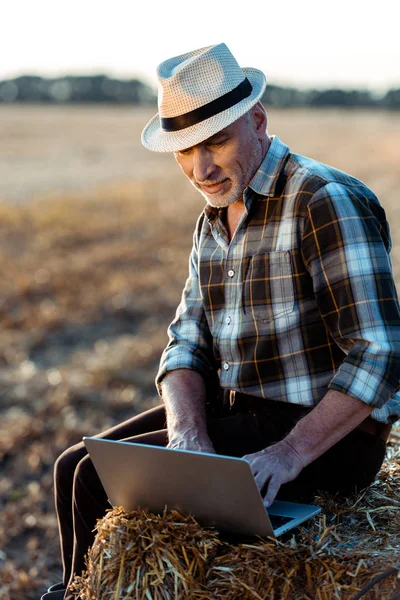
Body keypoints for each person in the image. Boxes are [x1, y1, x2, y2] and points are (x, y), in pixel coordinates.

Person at [42, 43, 400, 600]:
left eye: (216, 142)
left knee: (95, 481)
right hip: (241, 410)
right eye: (184, 151)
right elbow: (186, 343)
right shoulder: (212, 219)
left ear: (257, 120)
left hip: (326, 436)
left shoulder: (322, 199)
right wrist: (188, 433)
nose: (200, 169)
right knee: (72, 466)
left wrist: (288, 452)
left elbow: (379, 351)